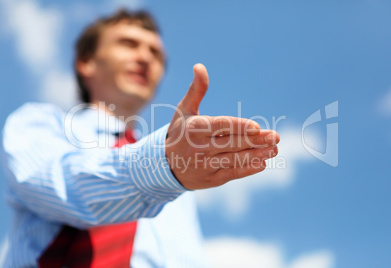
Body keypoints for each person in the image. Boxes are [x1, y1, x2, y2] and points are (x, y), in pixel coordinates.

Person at [1, 9, 280, 267]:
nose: (145, 58)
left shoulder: (179, 183)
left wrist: (169, 169)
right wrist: (162, 166)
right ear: (86, 62)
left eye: (156, 54)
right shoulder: (39, 124)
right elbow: (58, 186)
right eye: (128, 43)